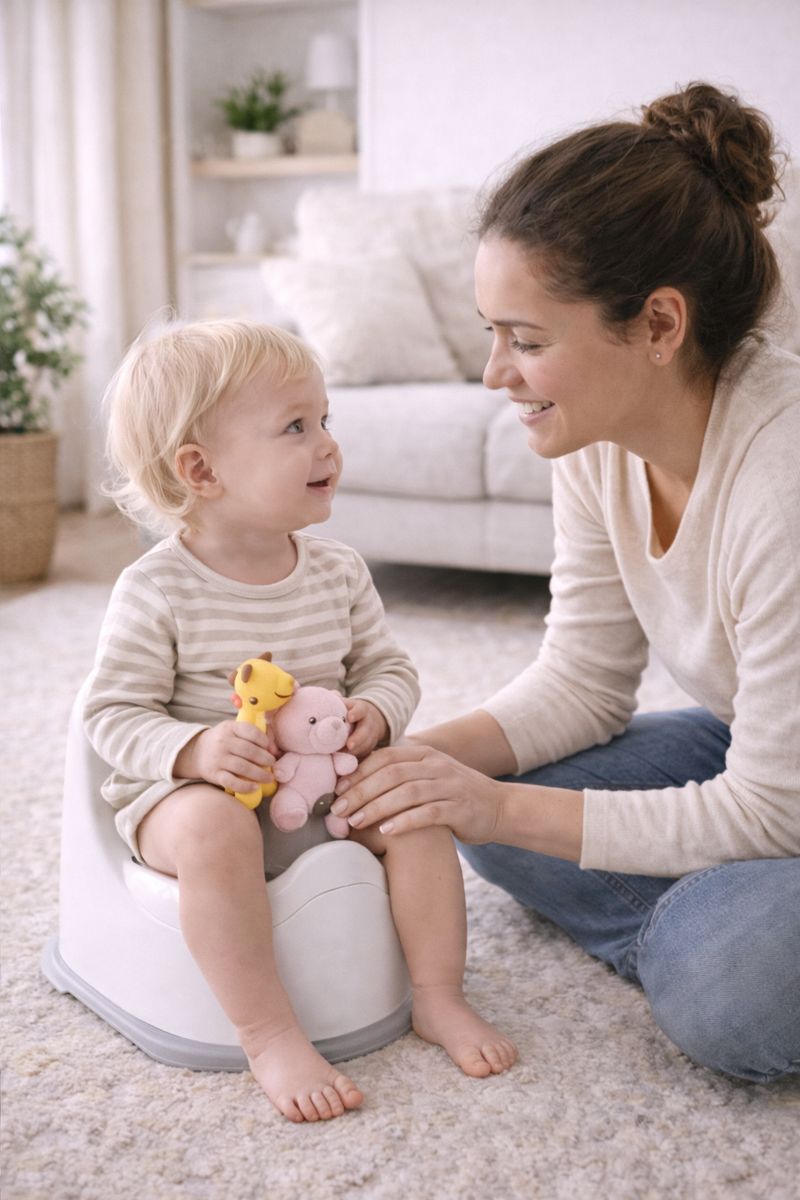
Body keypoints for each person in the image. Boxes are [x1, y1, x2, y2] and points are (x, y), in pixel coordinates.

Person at [330, 82, 800, 1085]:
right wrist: (407, 762)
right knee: (481, 808)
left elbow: (771, 812)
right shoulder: (593, 439)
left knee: (728, 986)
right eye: (491, 333)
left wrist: (493, 811)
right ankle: (695, 914)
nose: (494, 374)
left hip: (780, 796)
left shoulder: (782, 478)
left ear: (658, 324)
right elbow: (582, 683)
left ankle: (700, 939)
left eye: (527, 340)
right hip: (765, 746)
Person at [84, 319, 517, 1125]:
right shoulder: (157, 590)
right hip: (191, 804)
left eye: (326, 420)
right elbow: (109, 714)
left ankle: (435, 994)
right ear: (201, 470)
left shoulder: (339, 572)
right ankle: (269, 1031)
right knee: (217, 831)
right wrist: (195, 750)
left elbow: (390, 670)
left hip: (322, 790)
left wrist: (374, 715)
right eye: (295, 427)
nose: (327, 445)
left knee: (418, 806)